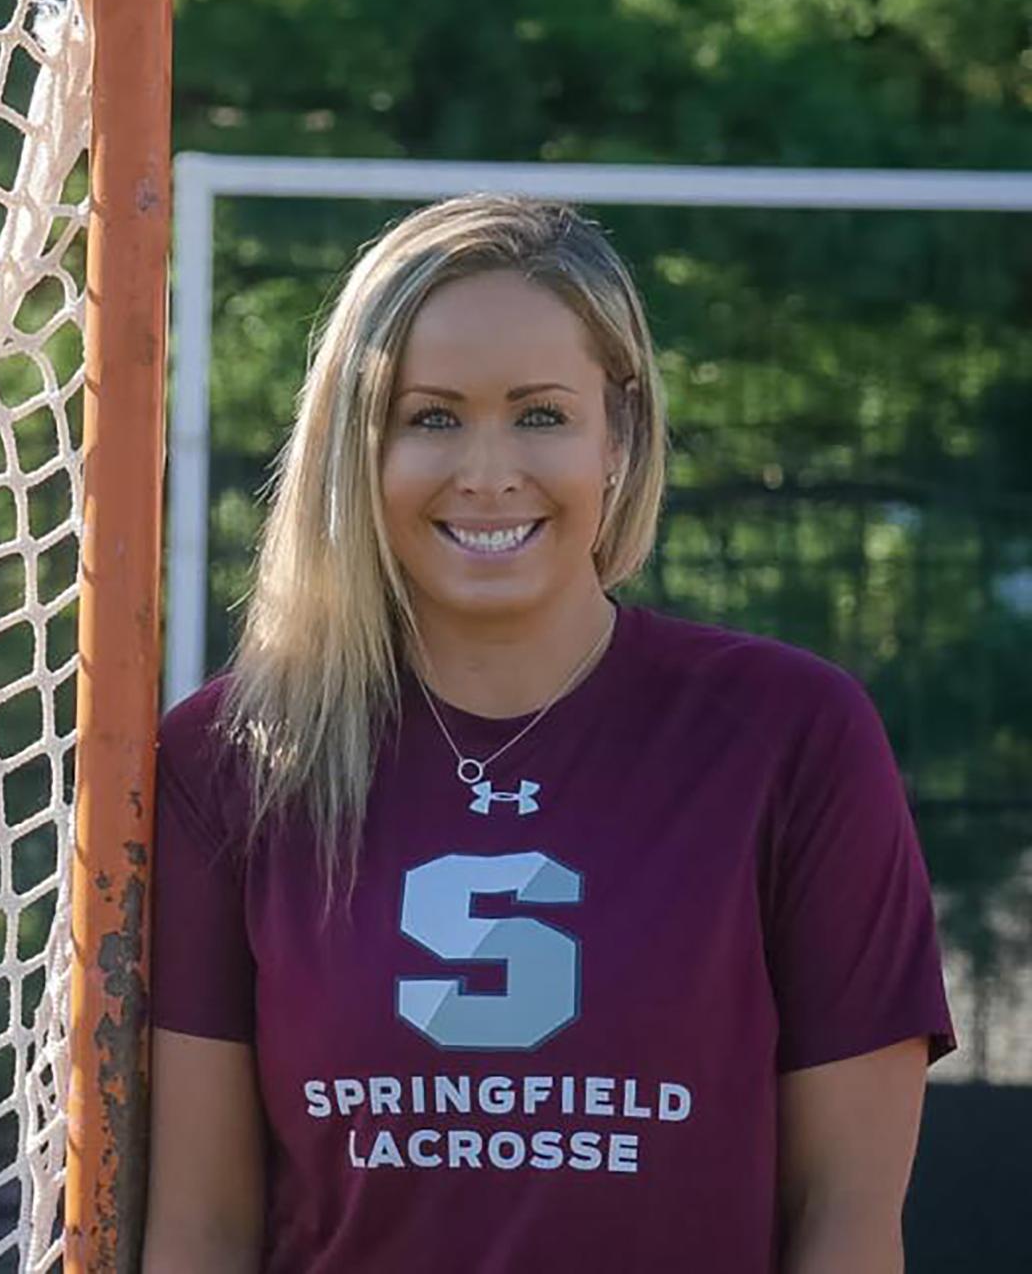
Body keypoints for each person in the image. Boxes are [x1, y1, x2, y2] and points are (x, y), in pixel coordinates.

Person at [143, 194, 957, 1273]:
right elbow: (200, 1233)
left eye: (540, 414)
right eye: (431, 415)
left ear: (617, 432)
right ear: (356, 443)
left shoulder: (790, 736)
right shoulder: (229, 759)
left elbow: (844, 1221)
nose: (487, 471)